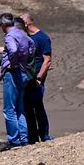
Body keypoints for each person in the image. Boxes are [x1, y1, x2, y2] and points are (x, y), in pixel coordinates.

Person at [0, 13, 34, 150]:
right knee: (19, 108)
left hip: (13, 73)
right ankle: (23, 139)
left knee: (9, 109)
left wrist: (13, 63)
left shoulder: (10, 36)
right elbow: (31, 46)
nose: (1, 27)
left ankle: (14, 140)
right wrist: (23, 60)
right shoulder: (22, 34)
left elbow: (13, 49)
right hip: (23, 72)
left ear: (4, 24)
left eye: (0, 25)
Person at [19, 10, 53, 143]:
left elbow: (47, 60)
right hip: (28, 78)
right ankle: (34, 136)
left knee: (35, 104)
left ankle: (43, 135)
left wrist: (39, 78)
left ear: (26, 23)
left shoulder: (42, 38)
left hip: (37, 78)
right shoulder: (27, 37)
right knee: (31, 106)